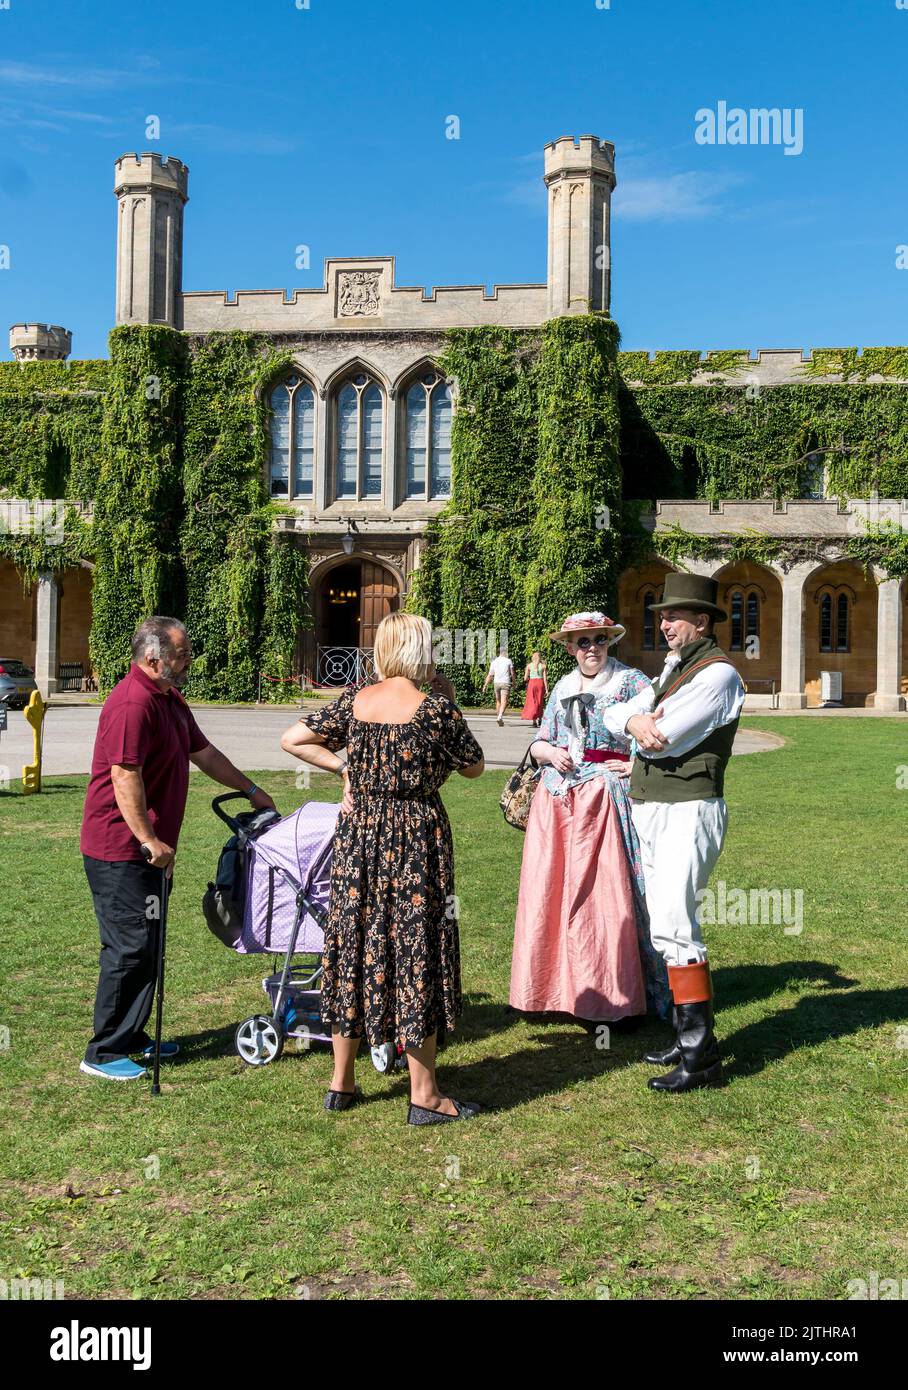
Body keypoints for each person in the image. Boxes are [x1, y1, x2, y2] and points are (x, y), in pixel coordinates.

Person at [280, 612, 486, 1125]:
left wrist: (346, 766)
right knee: (417, 949)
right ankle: (425, 1095)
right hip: (416, 836)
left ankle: (341, 1083)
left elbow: (293, 739)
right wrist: (450, 703)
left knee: (353, 943)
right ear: (420, 650)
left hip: (360, 835)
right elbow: (475, 765)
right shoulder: (435, 708)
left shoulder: (355, 701)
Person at [79, 617, 277, 1080]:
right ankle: (103, 1052)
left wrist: (250, 790)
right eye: (181, 655)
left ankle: (131, 1036)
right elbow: (123, 775)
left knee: (148, 944)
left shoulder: (168, 698)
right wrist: (148, 840)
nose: (188, 662)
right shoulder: (131, 703)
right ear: (153, 658)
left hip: (152, 852)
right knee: (128, 948)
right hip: (120, 850)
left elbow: (203, 752)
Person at [599, 574, 745, 1093]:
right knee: (664, 924)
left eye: (673, 616)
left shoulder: (718, 675)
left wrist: (637, 723)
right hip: (655, 806)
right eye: (660, 615)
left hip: (688, 808)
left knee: (679, 926)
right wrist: (636, 719)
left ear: (701, 621)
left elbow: (662, 740)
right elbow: (611, 711)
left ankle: (701, 1057)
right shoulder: (673, 668)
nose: (663, 624)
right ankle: (688, 1042)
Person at [510, 612, 671, 1027]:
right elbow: (542, 739)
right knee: (551, 893)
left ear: (609, 642)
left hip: (604, 801)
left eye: (599, 639)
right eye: (583, 642)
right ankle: (550, 992)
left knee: (603, 896)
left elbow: (657, 730)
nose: (592, 647)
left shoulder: (632, 683)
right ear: (569, 647)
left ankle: (613, 997)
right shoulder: (562, 685)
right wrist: (547, 754)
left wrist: (633, 765)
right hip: (558, 802)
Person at [482, 649, 515, 726]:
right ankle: (500, 717)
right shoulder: (508, 661)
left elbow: (490, 675)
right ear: (504, 652)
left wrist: (485, 685)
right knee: (504, 701)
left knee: (498, 701)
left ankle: (498, 717)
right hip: (505, 682)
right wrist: (514, 682)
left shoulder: (494, 662)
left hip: (496, 683)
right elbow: (512, 673)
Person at [520, 649, 549, 727]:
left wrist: (530, 678)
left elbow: (525, 678)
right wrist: (547, 690)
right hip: (540, 683)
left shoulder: (529, 666)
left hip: (532, 684)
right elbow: (545, 679)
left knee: (532, 702)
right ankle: (540, 717)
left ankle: (534, 721)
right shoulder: (543, 666)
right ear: (540, 657)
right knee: (540, 702)